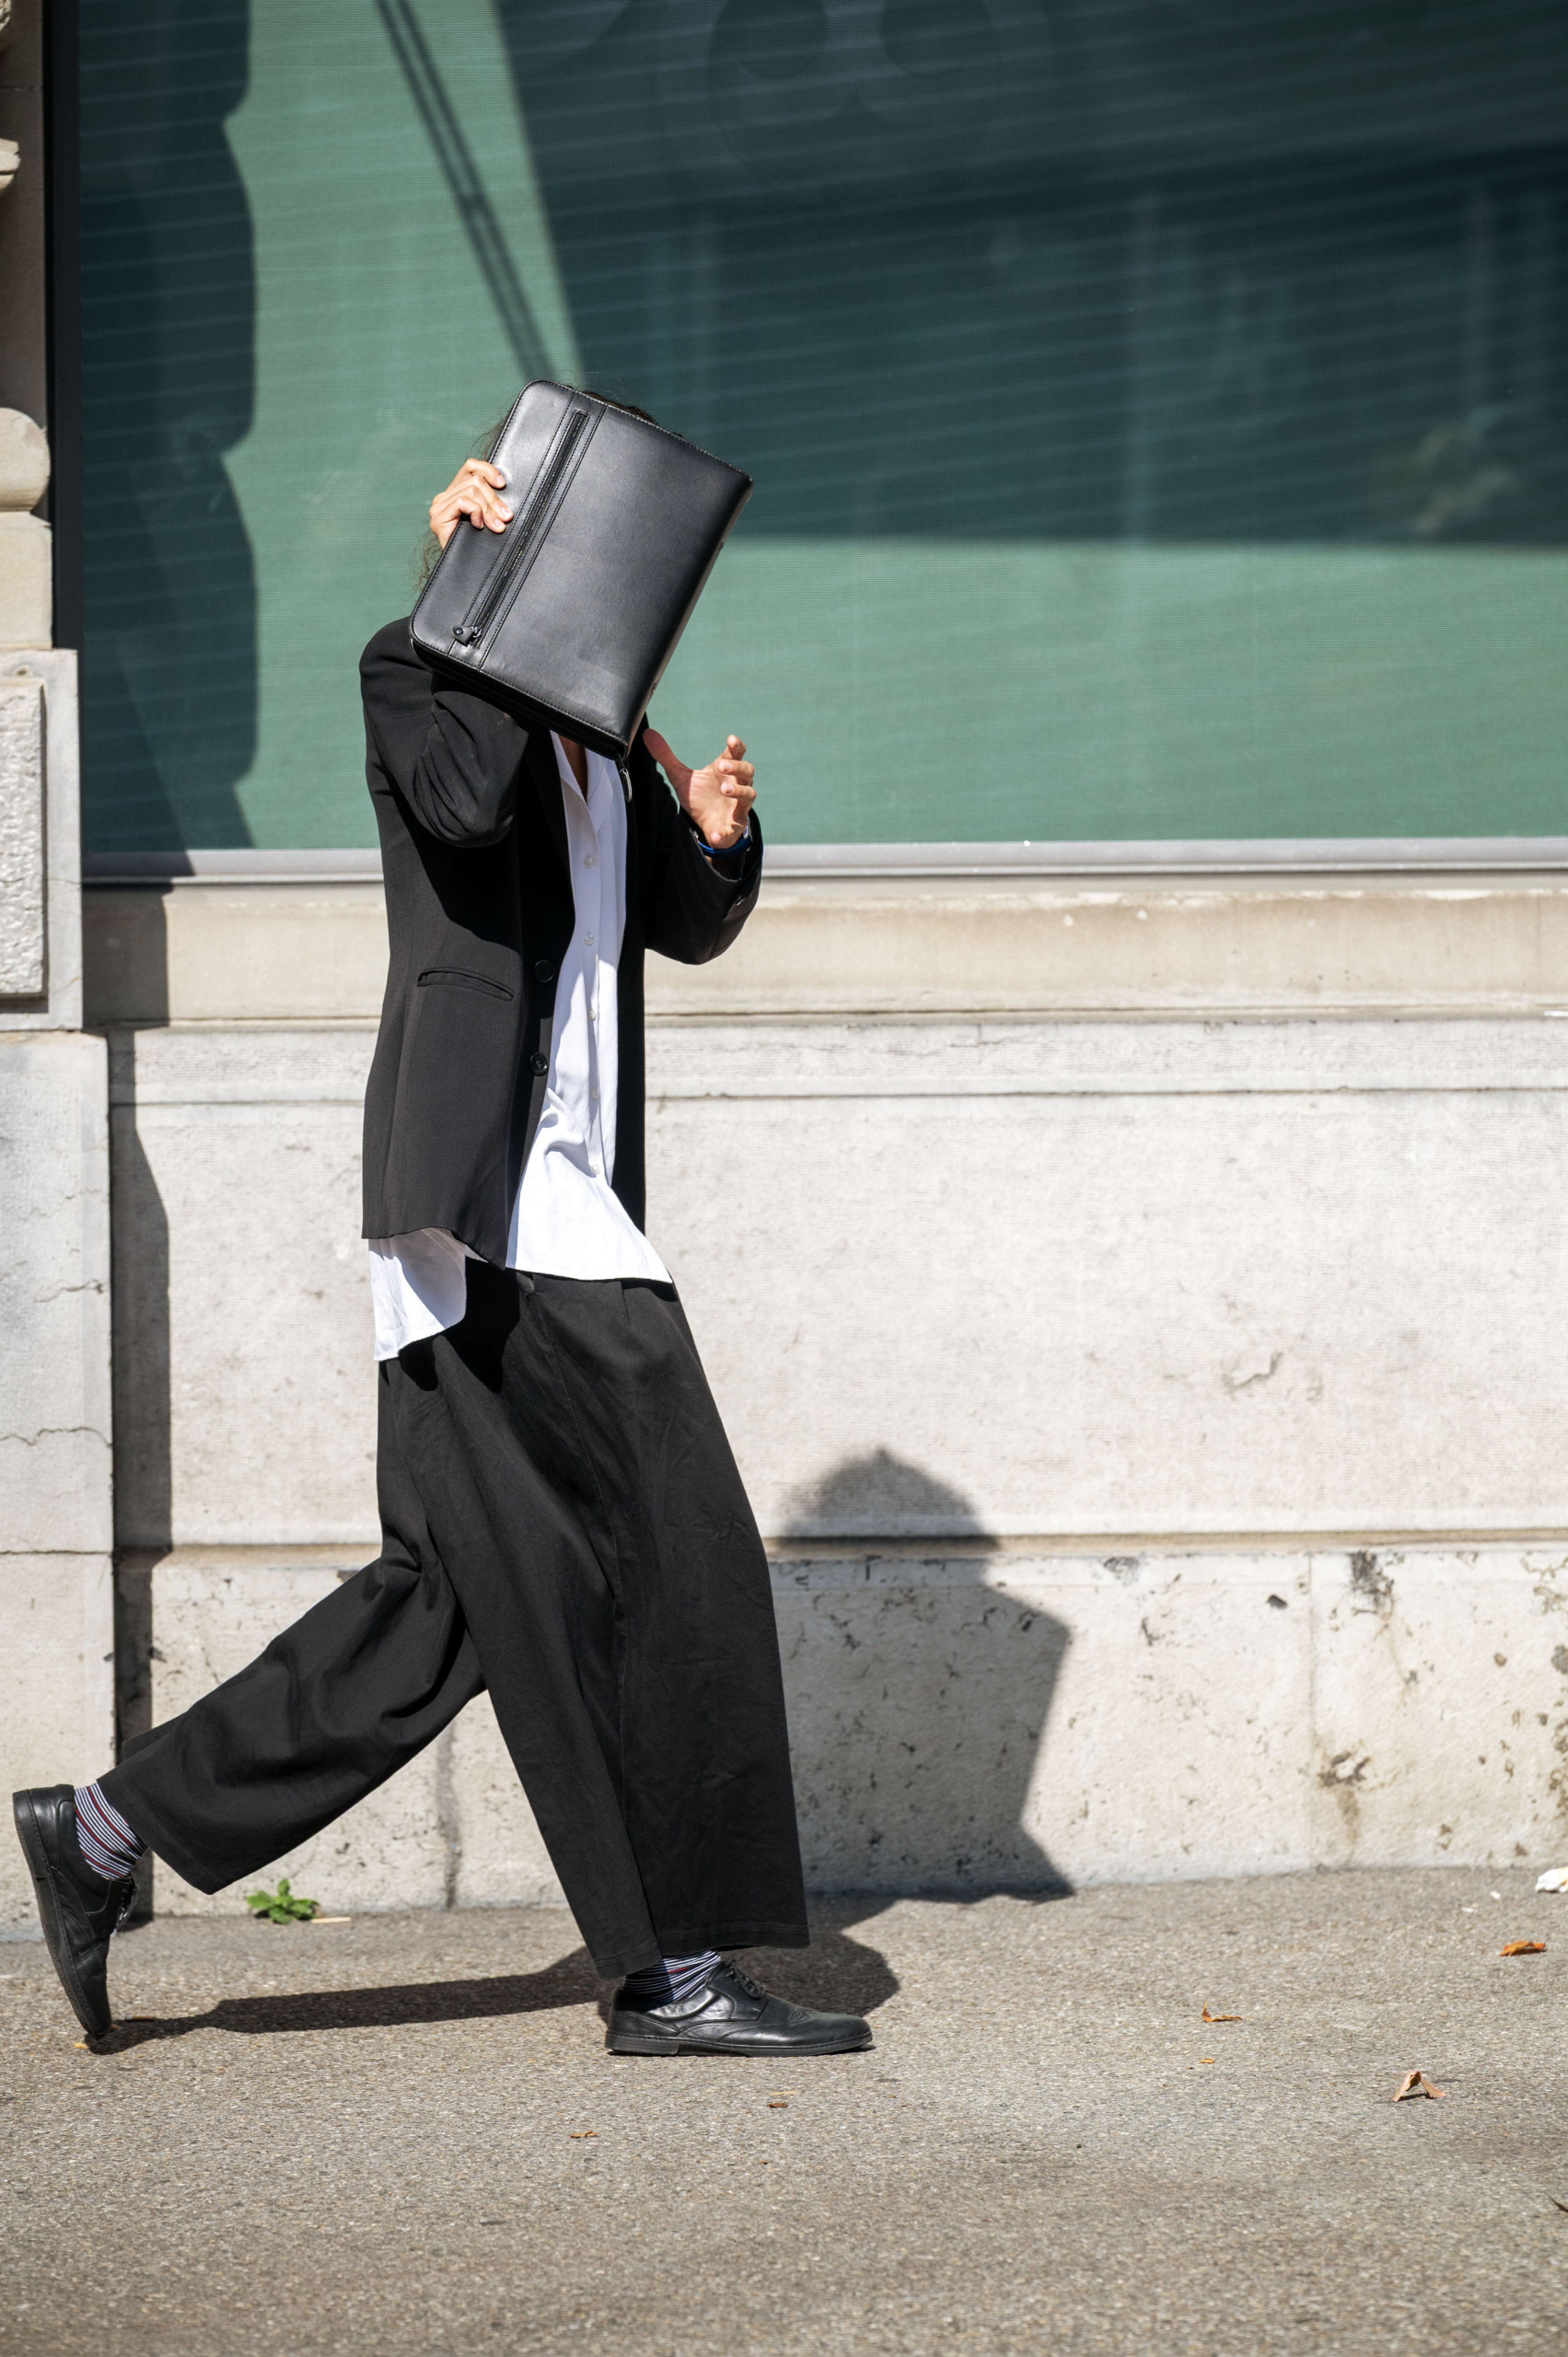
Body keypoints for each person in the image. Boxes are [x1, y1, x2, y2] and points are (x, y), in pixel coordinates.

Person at [14, 410, 871, 2061]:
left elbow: (678, 926)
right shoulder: (417, 676)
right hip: (493, 1208)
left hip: (564, 1197)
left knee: (451, 1607)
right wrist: (464, 594)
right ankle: (678, 1972)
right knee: (677, 1557)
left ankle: (106, 1835)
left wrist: (718, 831)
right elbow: (470, 813)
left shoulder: (609, 728)